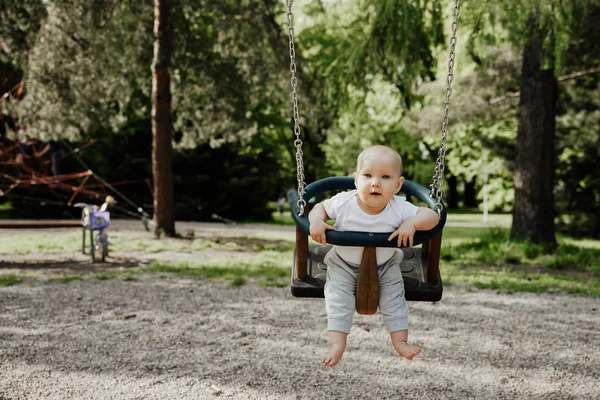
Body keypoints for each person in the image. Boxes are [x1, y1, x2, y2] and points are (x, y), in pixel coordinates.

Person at [308, 145, 439, 367]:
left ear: (398, 185)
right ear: (356, 179)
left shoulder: (399, 207)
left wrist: (412, 223)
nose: (375, 182)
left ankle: (400, 342)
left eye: (385, 177)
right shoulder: (344, 202)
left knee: (394, 299)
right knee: (338, 300)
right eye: (368, 175)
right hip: (342, 264)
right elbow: (319, 208)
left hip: (386, 265)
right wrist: (316, 221)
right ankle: (337, 345)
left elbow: (432, 217)